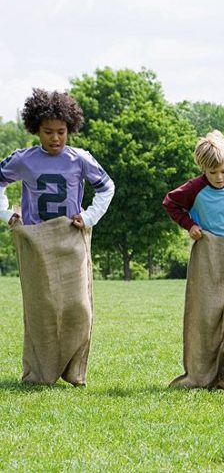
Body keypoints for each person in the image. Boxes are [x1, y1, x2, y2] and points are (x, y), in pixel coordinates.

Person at [0, 88, 115, 386]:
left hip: (70, 235)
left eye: (61, 132)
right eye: (48, 132)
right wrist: (6, 214)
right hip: (37, 239)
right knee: (42, 308)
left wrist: (89, 217)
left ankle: (75, 371)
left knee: (78, 306)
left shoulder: (81, 159)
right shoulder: (23, 159)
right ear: (35, 129)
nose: (55, 138)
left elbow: (106, 187)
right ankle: (40, 373)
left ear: (70, 129)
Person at [163, 130, 224, 392]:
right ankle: (201, 375)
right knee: (205, 315)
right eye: (213, 172)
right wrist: (190, 225)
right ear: (203, 169)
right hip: (208, 251)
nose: (219, 177)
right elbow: (171, 203)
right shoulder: (194, 188)